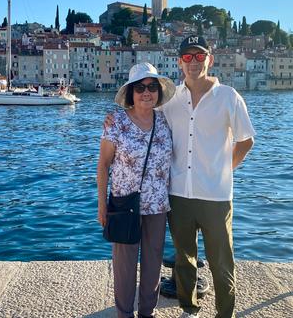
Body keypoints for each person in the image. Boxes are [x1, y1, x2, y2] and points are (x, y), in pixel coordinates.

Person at [105, 35, 255, 318]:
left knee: (222, 263)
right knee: (184, 259)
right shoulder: (172, 99)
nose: (194, 62)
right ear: (180, 63)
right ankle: (190, 309)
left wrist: (225, 169)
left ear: (209, 60)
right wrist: (116, 116)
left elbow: (246, 141)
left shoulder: (228, 97)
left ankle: (225, 314)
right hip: (178, 196)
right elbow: (142, 107)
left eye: (199, 56)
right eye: (188, 57)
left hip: (215, 195)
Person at [97, 62, 176, 318]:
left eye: (152, 87)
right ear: (131, 92)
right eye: (140, 87)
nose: (146, 92)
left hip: (157, 206)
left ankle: (147, 313)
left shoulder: (165, 121)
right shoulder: (116, 122)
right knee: (124, 266)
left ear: (158, 92)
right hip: (123, 204)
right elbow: (103, 164)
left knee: (153, 264)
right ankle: (124, 314)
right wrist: (102, 205)